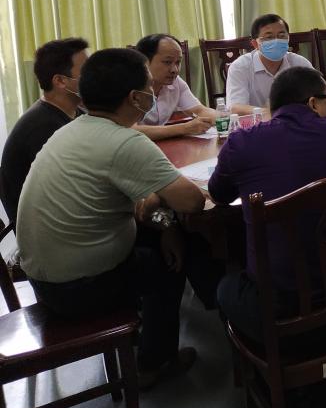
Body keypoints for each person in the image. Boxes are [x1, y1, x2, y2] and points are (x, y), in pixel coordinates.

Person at [16, 48, 206, 388]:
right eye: (148, 86)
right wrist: (161, 206)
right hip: (76, 289)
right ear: (135, 97)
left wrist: (164, 221)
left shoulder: (72, 129)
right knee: (168, 267)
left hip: (43, 278)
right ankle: (155, 363)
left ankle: (150, 340)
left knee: (164, 234)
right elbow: (191, 201)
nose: (153, 92)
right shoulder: (125, 141)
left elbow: (138, 203)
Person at [210, 66, 326, 347]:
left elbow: (218, 194)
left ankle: (273, 362)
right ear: (313, 103)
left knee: (226, 287)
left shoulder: (241, 143)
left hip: (280, 311)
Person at [0, 38, 88, 227]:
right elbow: (75, 191)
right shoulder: (42, 128)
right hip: (49, 230)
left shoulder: (75, 113)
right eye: (86, 72)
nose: (94, 78)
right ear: (60, 81)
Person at [133, 34, 219, 141]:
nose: (175, 70)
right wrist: (184, 128)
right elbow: (131, 131)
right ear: (145, 62)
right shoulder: (128, 85)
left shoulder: (176, 82)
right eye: (167, 62)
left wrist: (223, 117)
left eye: (178, 62)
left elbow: (199, 110)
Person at [226, 13, 312, 115]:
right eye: (269, 37)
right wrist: (272, 114)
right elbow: (236, 108)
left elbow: (319, 96)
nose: (276, 41)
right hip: (257, 123)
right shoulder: (240, 67)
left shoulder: (300, 64)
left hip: (295, 121)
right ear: (255, 44)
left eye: (281, 36)